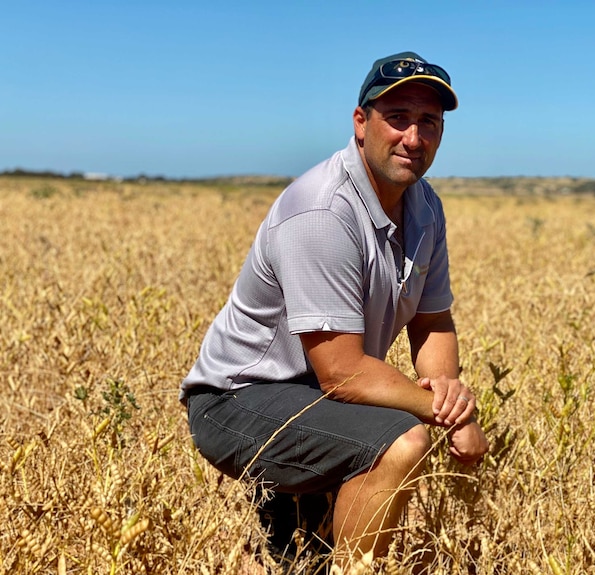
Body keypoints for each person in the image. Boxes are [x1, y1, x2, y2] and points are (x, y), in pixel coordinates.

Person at [180, 51, 489, 568]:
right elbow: (342, 373)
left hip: (310, 394)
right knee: (401, 441)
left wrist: (449, 392)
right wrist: (449, 416)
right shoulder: (323, 211)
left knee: (301, 556)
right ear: (361, 122)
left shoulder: (425, 205)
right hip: (236, 401)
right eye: (398, 118)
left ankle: (303, 533)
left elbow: (432, 321)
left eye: (429, 123)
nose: (414, 138)